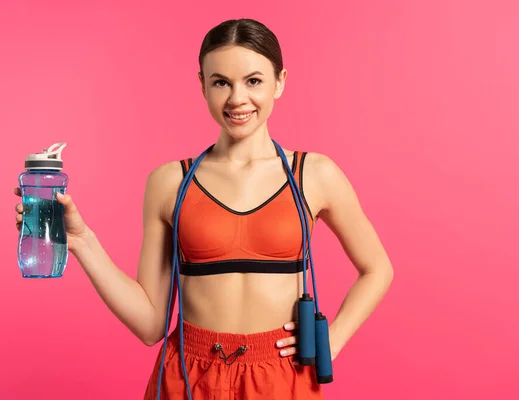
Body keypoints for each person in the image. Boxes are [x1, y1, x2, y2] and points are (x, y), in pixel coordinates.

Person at [14, 18, 394, 399]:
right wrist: (82, 241)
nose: (237, 99)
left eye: (254, 81)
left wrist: (333, 340)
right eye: (221, 82)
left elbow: (377, 269)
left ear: (279, 81)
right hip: (187, 375)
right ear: (203, 85)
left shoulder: (315, 174)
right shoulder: (169, 183)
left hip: (281, 375)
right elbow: (150, 324)